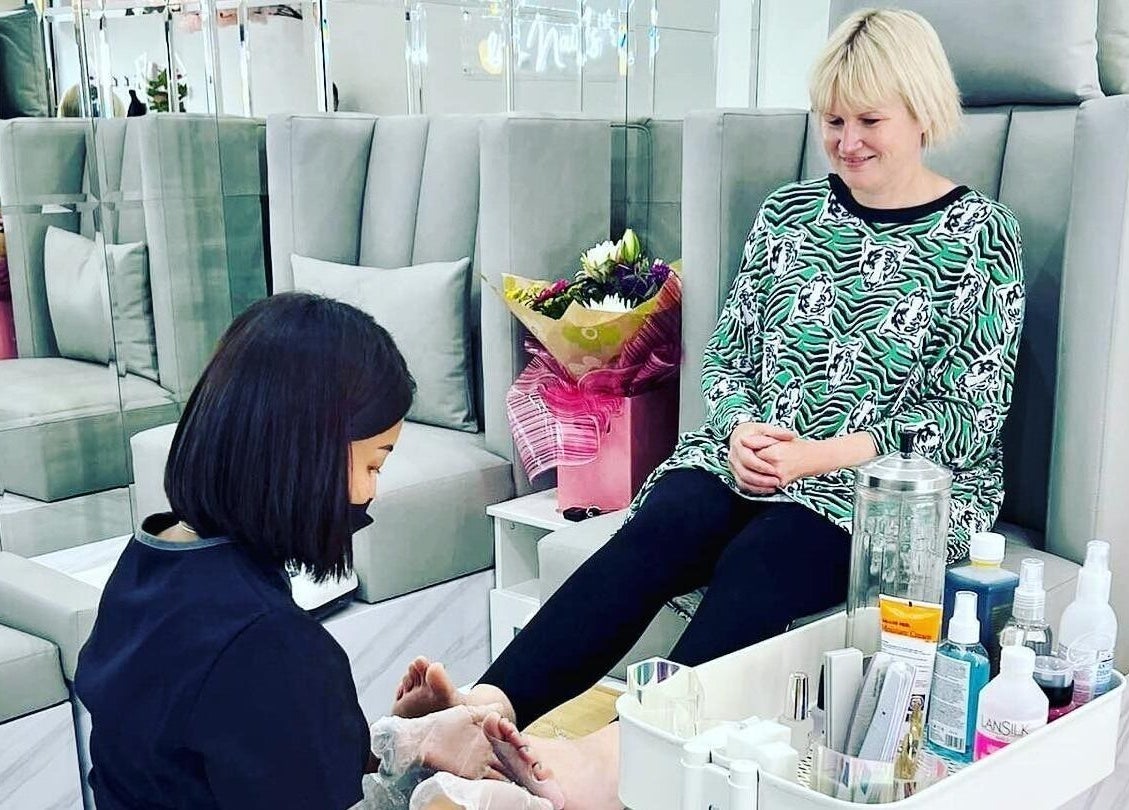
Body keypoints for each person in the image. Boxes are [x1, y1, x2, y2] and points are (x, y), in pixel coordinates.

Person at [393, 8, 1026, 809]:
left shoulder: (979, 235)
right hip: (752, 456)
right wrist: (736, 432)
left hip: (885, 487)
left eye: (869, 120)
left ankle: (606, 765)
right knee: (668, 519)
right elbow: (727, 354)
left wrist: (816, 457)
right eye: (831, 119)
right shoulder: (789, 215)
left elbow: (966, 416)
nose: (846, 139)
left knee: (765, 558)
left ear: (922, 113)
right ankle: (484, 709)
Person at [74, 293, 530, 809]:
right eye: (374, 465)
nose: (371, 493)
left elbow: (240, 760)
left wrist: (402, 738)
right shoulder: (267, 644)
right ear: (303, 455)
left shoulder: (148, 561)